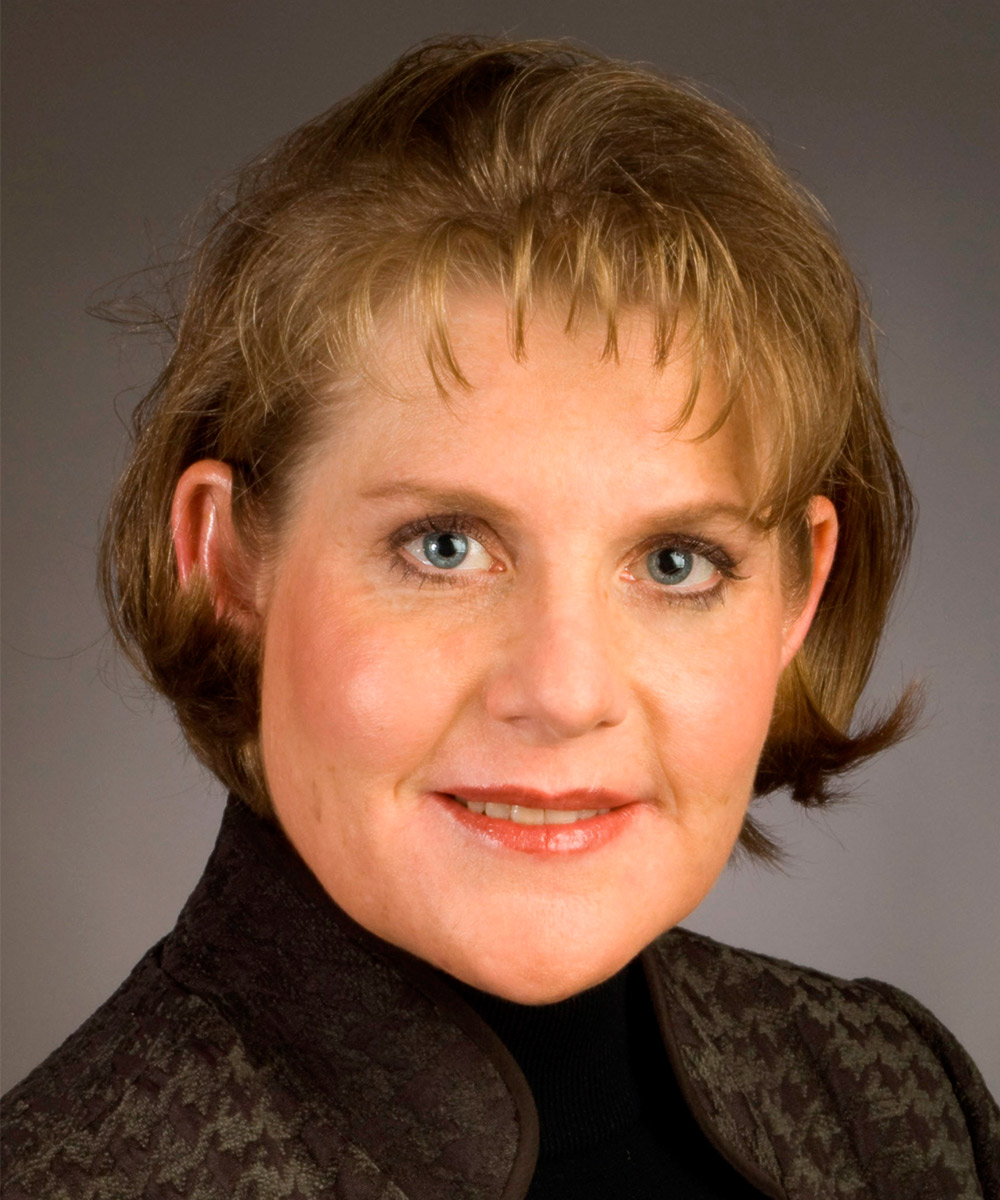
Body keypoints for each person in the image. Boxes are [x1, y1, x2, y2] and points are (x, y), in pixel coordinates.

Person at [2, 35, 996, 1200]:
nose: (563, 692)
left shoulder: (903, 1105)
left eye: (674, 562)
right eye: (444, 547)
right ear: (227, 564)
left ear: (797, 593)